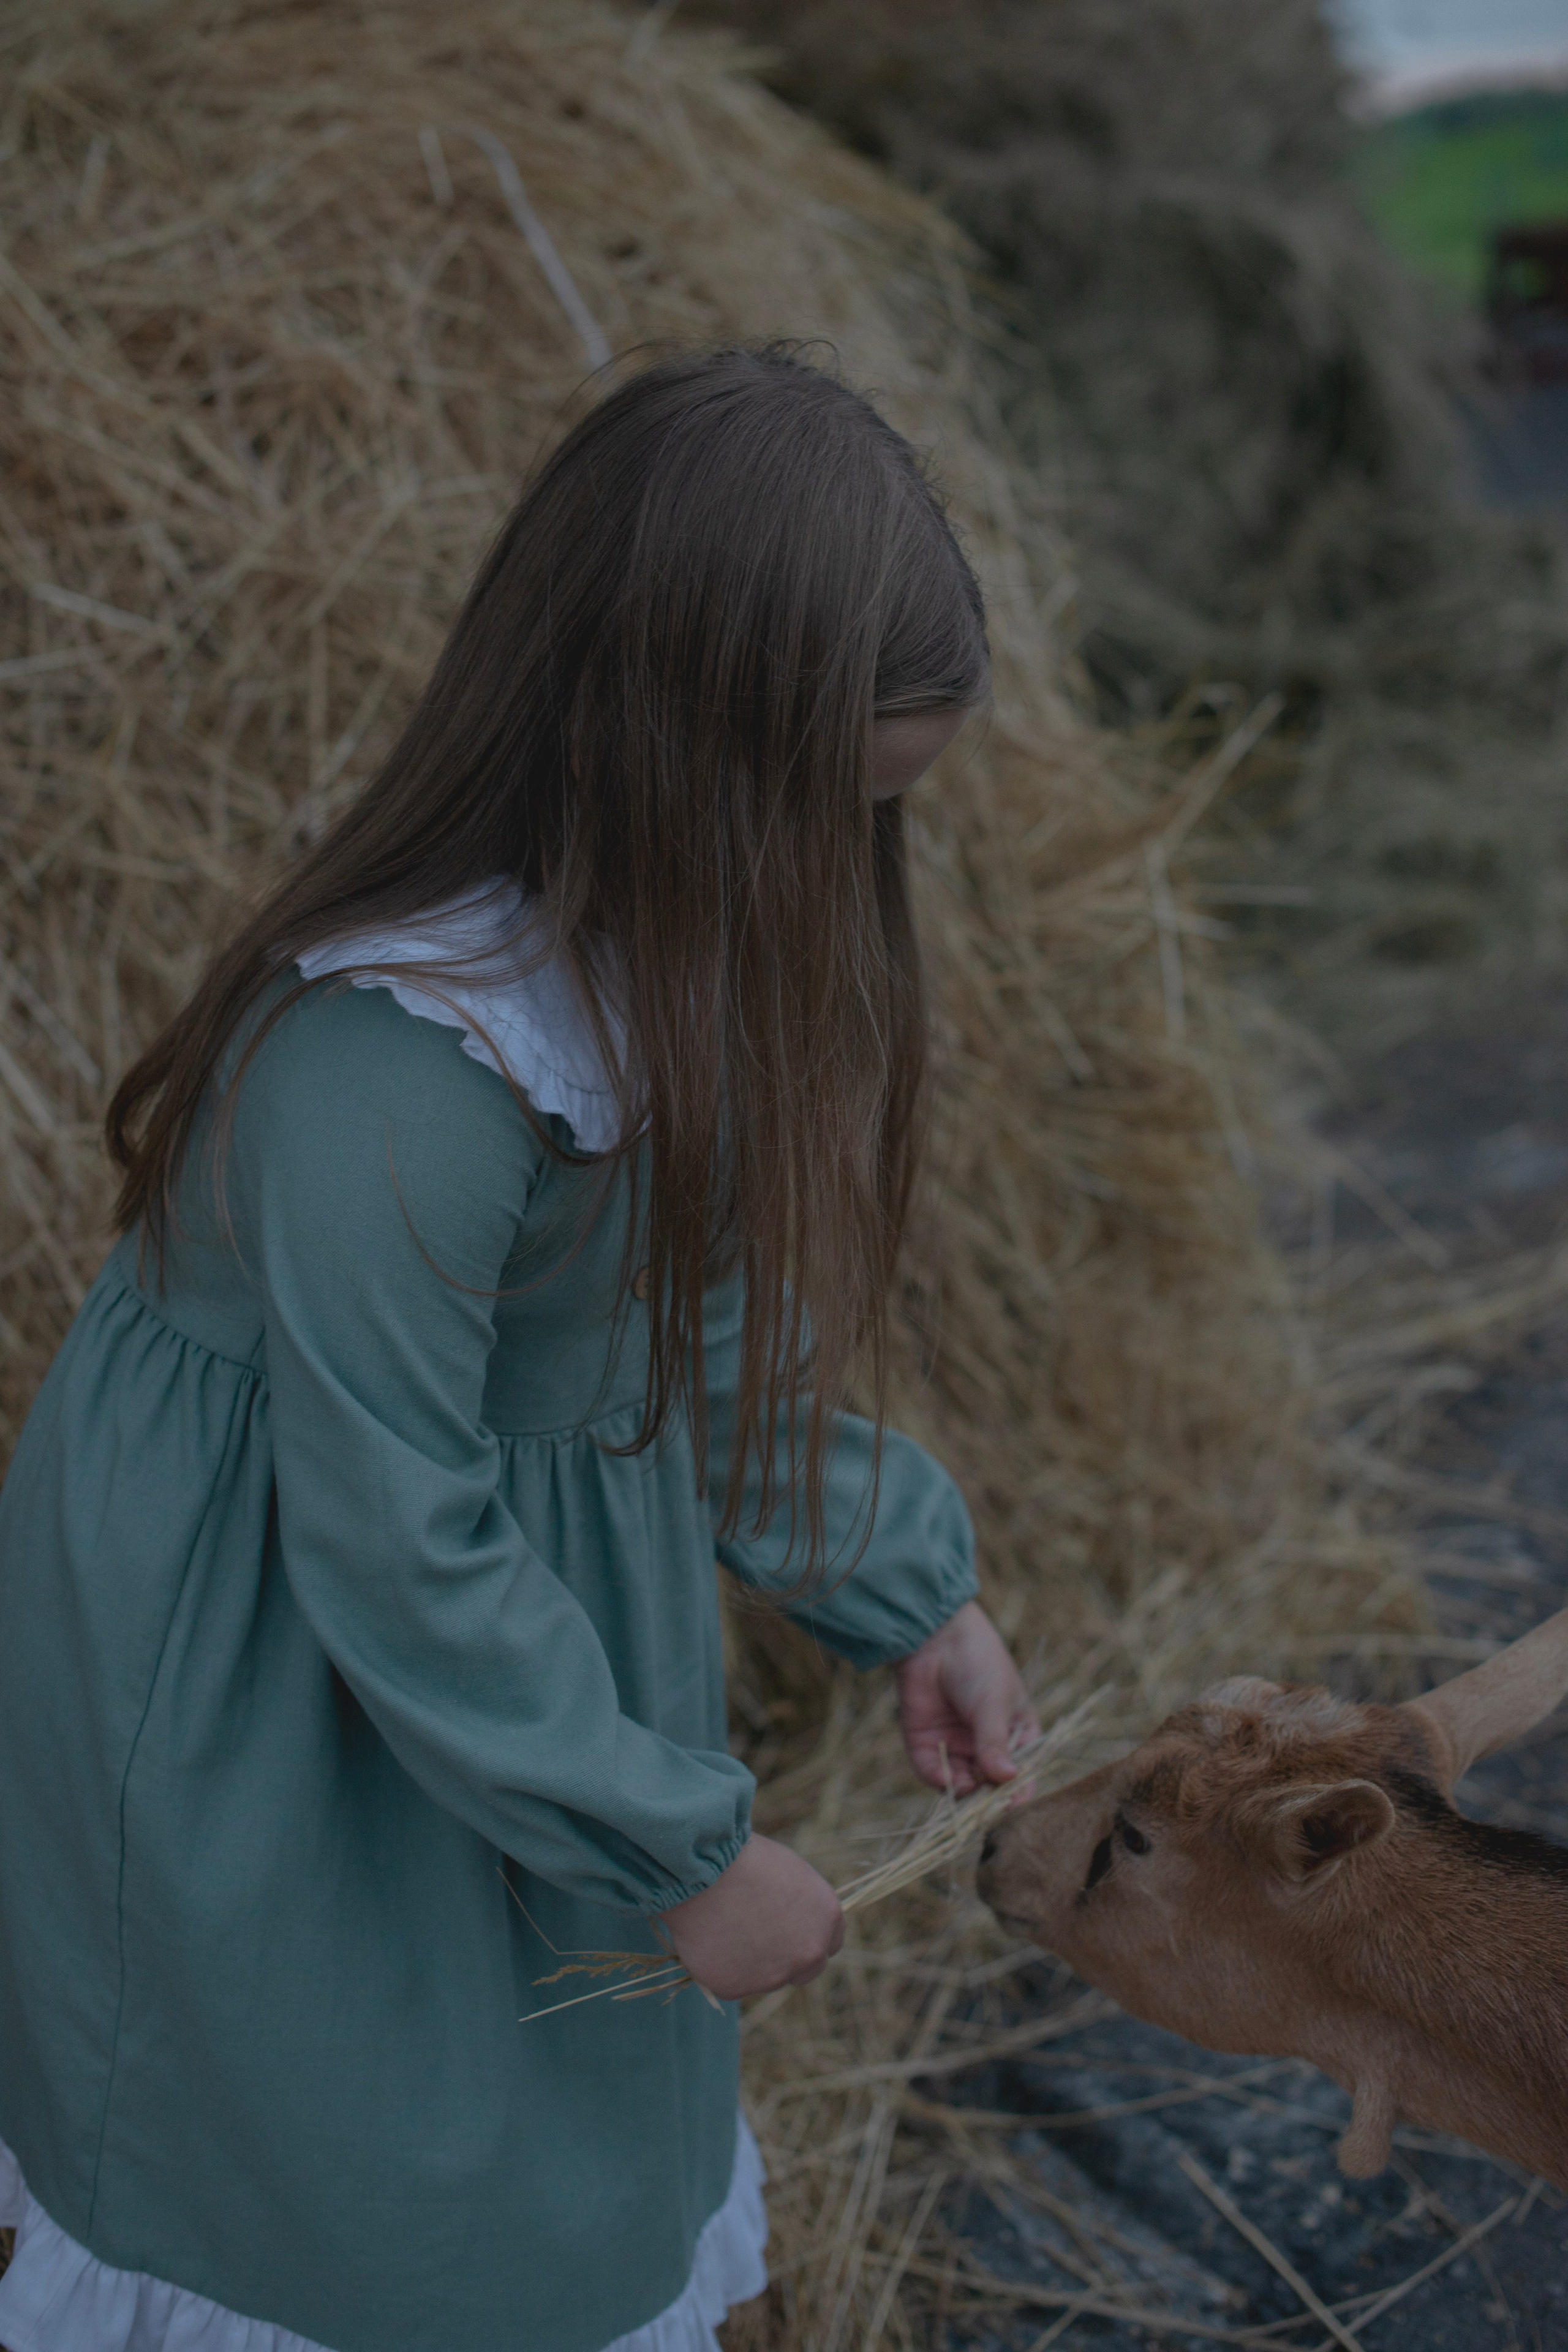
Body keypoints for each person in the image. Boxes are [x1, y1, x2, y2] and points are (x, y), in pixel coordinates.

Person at [0, 345, 1036, 2352]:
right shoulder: (391, 1075)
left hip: (515, 1694)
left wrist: (912, 1600)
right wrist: (678, 1853)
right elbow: (390, 1532)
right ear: (661, 742)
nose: (838, 875)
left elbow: (698, 1366)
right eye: (819, 815)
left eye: (874, 825)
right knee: (355, 2167)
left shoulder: (661, 983)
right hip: (277, 1705)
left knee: (563, 2143)